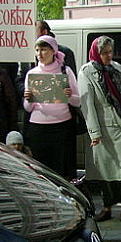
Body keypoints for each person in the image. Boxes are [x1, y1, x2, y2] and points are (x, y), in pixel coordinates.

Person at [78, 36, 121, 222]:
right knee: (106, 170)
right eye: (104, 53)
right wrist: (94, 132)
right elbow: (88, 104)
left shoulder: (117, 69)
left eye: (110, 52)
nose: (108, 56)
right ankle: (108, 206)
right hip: (103, 125)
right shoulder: (87, 72)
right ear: (97, 53)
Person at [23, 35, 80, 180]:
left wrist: (68, 97)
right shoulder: (32, 73)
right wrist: (28, 99)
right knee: (41, 167)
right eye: (37, 50)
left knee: (60, 168)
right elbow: (28, 108)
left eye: (44, 50)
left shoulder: (64, 71)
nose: (40, 54)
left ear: (53, 51)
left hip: (61, 127)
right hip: (39, 128)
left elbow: (77, 101)